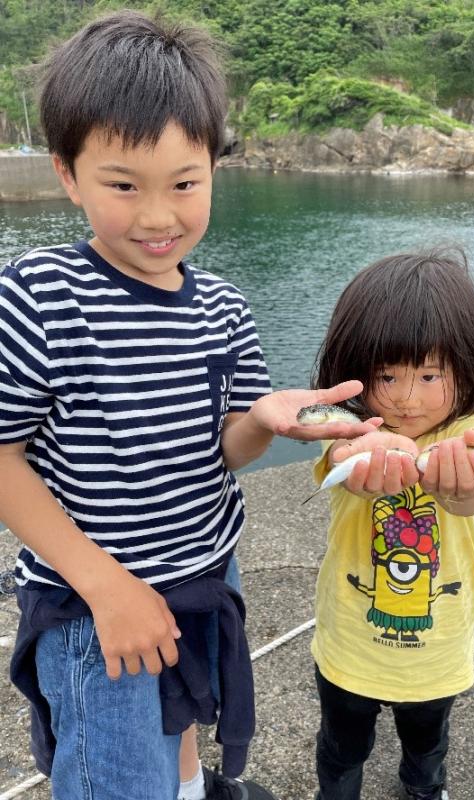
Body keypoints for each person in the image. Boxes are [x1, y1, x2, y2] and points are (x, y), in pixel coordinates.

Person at [0, 12, 381, 800]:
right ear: (67, 174)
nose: (158, 217)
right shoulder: (38, 297)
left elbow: (226, 448)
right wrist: (106, 587)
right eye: (122, 185)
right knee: (115, 774)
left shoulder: (224, 309)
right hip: (93, 603)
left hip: (204, 569)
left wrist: (264, 422)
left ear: (214, 167)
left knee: (182, 722)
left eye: (184, 183)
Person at [308, 249, 474, 800]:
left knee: (427, 742)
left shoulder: (470, 432)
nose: (406, 396)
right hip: (351, 641)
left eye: (428, 373)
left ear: (464, 369)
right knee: (342, 745)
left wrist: (460, 487)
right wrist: (360, 459)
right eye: (386, 374)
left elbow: (473, 500)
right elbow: (342, 466)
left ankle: (423, 790)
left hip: (438, 645)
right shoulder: (346, 430)